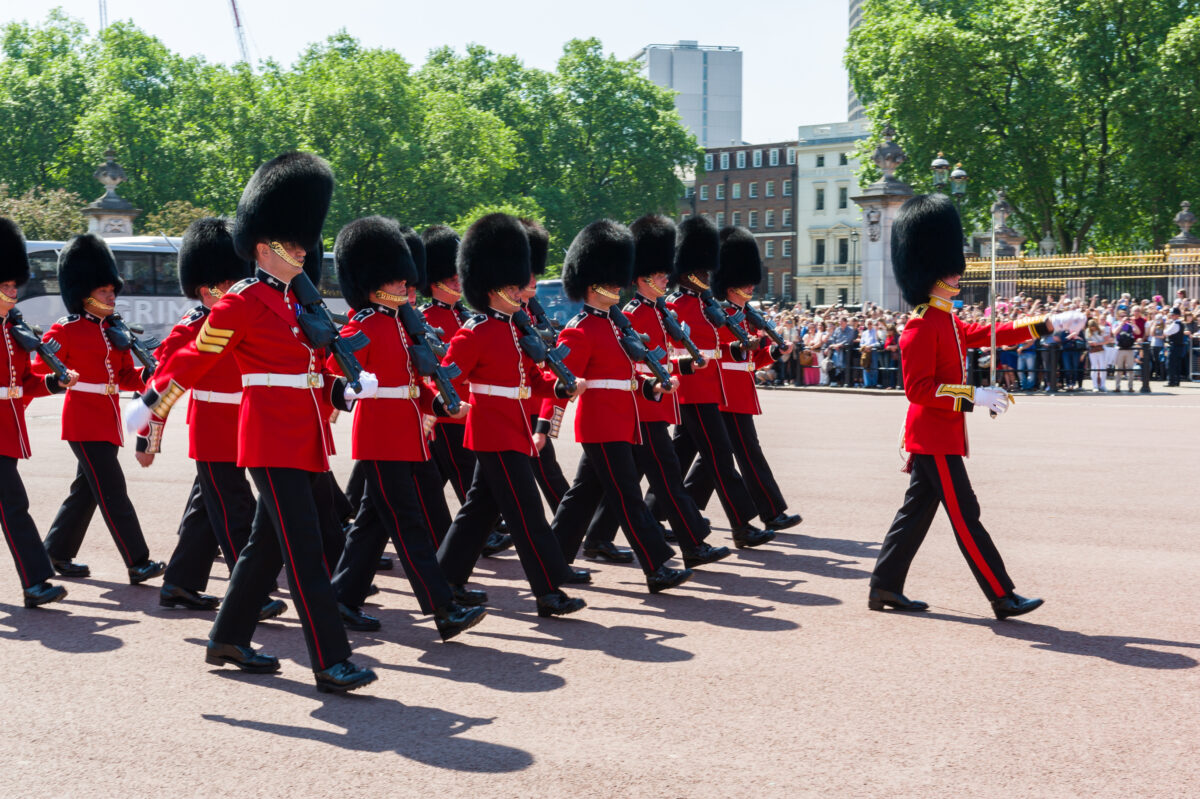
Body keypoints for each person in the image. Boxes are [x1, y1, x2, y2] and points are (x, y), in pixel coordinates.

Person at [126, 151, 378, 693]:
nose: (303, 252)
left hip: (301, 436)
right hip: (268, 438)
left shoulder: (294, 302)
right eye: (294, 245)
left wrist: (346, 385)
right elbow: (199, 356)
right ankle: (331, 661)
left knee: (267, 543)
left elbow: (307, 371)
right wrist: (154, 403)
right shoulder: (241, 301)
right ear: (265, 248)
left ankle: (228, 637)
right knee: (305, 553)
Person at [868, 193, 1085, 620]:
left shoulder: (945, 319)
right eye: (949, 267)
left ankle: (884, 586)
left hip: (941, 434)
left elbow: (994, 332)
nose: (957, 272)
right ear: (931, 271)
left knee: (915, 514)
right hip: (932, 436)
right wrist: (973, 396)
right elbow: (918, 390)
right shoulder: (918, 326)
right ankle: (1001, 595)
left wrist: (1048, 323)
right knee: (966, 515)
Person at [325, 215, 486, 641]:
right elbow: (334, 369)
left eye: (404, 280)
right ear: (373, 281)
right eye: (396, 281)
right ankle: (442, 607)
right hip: (381, 437)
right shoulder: (364, 323)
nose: (404, 286)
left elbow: (415, 386)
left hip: (409, 434)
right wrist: (362, 382)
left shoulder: (400, 323)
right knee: (409, 524)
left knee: (372, 524)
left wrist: (446, 405)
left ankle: (341, 597)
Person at [434, 213, 586, 618]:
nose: (523, 292)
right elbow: (447, 376)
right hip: (491, 430)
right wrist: (445, 404)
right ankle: (549, 591)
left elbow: (533, 379)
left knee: (478, 510)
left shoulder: (515, 328)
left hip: (512, 427)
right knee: (527, 513)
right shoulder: (475, 331)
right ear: (494, 285)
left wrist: (560, 386)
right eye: (516, 285)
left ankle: (445, 580)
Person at [139, 217, 285, 622]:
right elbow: (163, 383)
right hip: (213, 430)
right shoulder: (191, 327)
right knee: (237, 511)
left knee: (207, 510)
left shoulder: (243, 318)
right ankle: (250, 594)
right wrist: (148, 438)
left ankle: (180, 584)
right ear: (207, 289)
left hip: (245, 425)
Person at [543, 219, 696, 593]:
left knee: (580, 497)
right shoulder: (579, 329)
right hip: (601, 424)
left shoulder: (616, 325)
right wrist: (546, 424)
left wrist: (653, 387)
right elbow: (556, 380)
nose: (617, 284)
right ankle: (657, 565)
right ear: (591, 283)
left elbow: (624, 380)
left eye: (617, 279)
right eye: (610, 280)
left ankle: (552, 563)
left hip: (622, 420)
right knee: (628, 496)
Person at [573, 214, 731, 569]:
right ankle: (692, 542)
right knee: (666, 476)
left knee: (593, 485)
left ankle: (595, 539)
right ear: (642, 278)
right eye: (659, 274)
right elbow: (631, 364)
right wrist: (656, 384)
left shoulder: (654, 313)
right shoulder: (631, 313)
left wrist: (682, 369)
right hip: (642, 407)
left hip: (648, 402)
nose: (666, 278)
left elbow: (659, 358)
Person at [39, 234, 166, 585]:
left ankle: (56, 551)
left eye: (113, 291)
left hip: (107, 420)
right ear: (85, 294)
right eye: (104, 291)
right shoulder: (65, 331)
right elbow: (40, 369)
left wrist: (150, 374)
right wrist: (61, 377)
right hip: (82, 421)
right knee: (113, 490)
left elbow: (125, 376)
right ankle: (137, 561)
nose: (112, 296)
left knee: (86, 492)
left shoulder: (113, 332)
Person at [647, 216, 775, 548]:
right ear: (687, 272)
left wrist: (738, 347)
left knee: (678, 458)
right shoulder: (673, 305)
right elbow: (667, 351)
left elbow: (716, 347)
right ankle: (742, 525)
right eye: (701, 271)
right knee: (720, 456)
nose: (707, 276)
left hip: (710, 389)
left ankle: (651, 514)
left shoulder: (706, 305)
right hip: (690, 388)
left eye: (707, 270)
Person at [680, 226, 802, 535]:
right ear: (729, 284)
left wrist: (773, 352)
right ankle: (771, 512)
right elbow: (716, 353)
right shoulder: (719, 314)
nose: (749, 286)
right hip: (724, 393)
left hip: (740, 391)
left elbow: (751, 360)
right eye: (743, 282)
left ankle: (685, 507)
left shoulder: (747, 316)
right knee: (745, 452)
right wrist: (738, 347)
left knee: (713, 459)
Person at [0, 217, 76, 608]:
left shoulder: (12, 332)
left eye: (15, 286)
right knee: (14, 505)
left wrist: (53, 383)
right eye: (5, 286)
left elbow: (24, 382)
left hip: (6, 431)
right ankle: (35, 582)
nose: (13, 293)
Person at [1085, 317, 1109, 392]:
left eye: (1094, 327)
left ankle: (1103, 385)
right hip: (1092, 351)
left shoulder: (1102, 329)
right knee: (1094, 367)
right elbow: (1086, 341)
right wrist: (1091, 343)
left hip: (1101, 350)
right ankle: (1095, 386)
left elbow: (1107, 341)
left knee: (1103, 368)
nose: (1093, 329)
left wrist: (1098, 343)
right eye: (1091, 328)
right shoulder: (1087, 331)